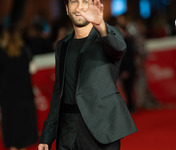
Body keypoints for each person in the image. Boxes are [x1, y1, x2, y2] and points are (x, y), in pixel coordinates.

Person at [38, 0, 137, 150]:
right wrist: (47, 135)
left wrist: (101, 25)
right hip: (67, 130)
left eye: (85, 1)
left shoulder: (107, 37)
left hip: (101, 129)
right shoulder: (62, 46)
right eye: (74, 2)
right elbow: (59, 92)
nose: (79, 7)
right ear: (66, 9)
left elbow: (119, 48)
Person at [0, 26, 38, 150]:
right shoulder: (25, 51)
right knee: (24, 139)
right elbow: (33, 69)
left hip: (8, 100)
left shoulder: (1, 53)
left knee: (13, 139)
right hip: (25, 98)